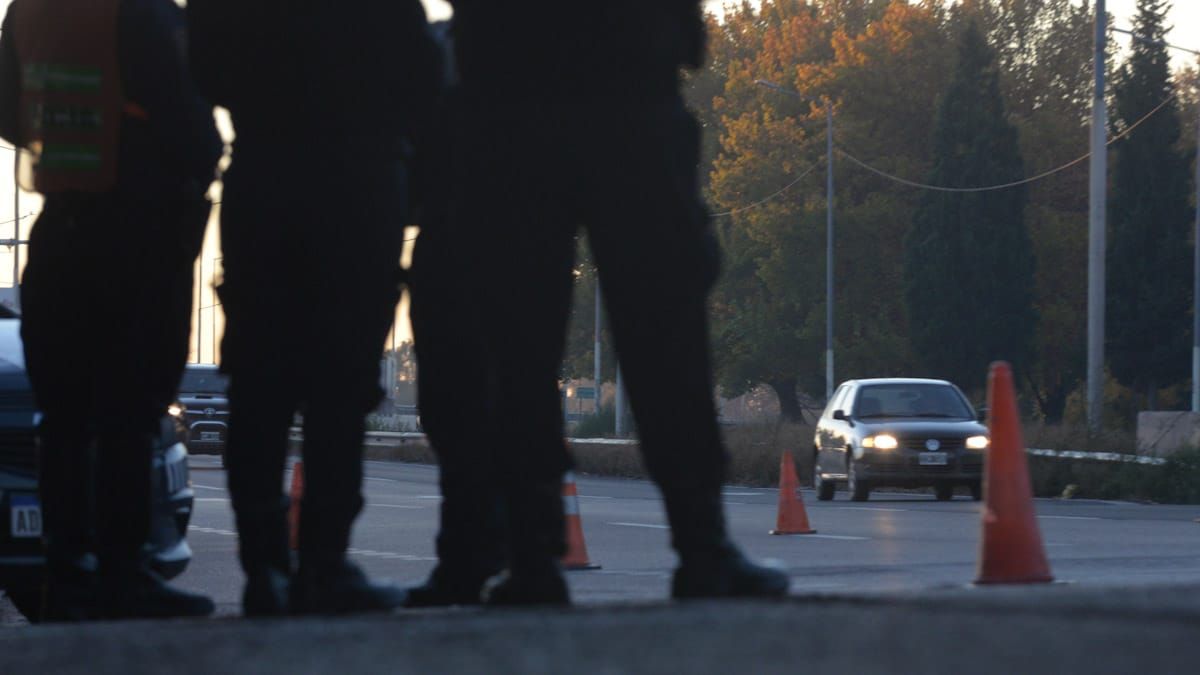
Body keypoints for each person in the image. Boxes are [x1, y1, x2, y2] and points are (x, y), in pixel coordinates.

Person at [445, 0, 789, 604]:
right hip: (622, 84)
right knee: (663, 331)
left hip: (515, 95)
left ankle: (532, 553)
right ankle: (700, 543)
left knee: (518, 343)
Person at [187, 1, 445, 616]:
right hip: (360, 179)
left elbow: (203, 64)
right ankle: (323, 566)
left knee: (258, 384)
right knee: (341, 386)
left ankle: (265, 569)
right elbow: (422, 69)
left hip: (265, 174)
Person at [0, 0, 222, 620]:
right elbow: (196, 134)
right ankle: (125, 573)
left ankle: (66, 573)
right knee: (131, 415)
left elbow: (11, 117)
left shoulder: (27, 14)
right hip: (136, 239)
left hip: (57, 237)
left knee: (64, 421)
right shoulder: (142, 15)